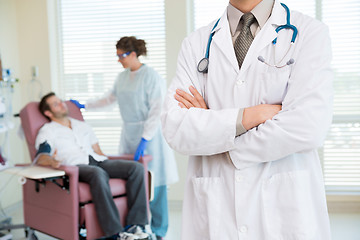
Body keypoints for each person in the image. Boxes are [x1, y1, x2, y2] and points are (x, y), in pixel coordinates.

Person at [161, 0, 333, 239]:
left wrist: (220, 139)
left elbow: (307, 126)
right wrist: (247, 116)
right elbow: (176, 128)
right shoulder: (196, 43)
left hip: (284, 208)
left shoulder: (309, 32)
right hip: (216, 211)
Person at [71, 36, 178, 240]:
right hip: (129, 134)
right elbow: (109, 99)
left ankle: (159, 231)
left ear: (134, 54)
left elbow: (157, 111)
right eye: (118, 55)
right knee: (135, 180)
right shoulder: (121, 78)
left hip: (151, 136)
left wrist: (145, 139)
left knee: (156, 183)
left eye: (122, 55)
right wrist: (85, 105)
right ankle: (135, 227)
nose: (119, 59)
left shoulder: (152, 77)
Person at [35, 92, 150, 240]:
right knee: (97, 173)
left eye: (61, 101)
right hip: (75, 166)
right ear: (48, 112)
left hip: (97, 160)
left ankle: (135, 225)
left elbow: (98, 151)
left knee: (136, 168)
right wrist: (52, 161)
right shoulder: (48, 130)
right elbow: (42, 156)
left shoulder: (81, 125)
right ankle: (115, 233)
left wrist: (112, 163)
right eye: (56, 104)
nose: (62, 104)